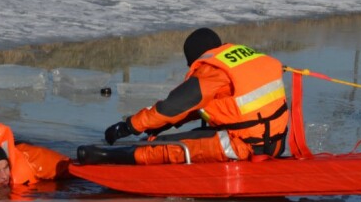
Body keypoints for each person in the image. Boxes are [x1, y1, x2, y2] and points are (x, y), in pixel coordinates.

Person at [77, 27, 289, 165]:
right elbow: (208, 107)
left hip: (243, 147)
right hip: (276, 144)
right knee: (176, 134)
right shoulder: (247, 60)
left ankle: (106, 158)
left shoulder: (212, 70)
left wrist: (129, 126)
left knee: (162, 146)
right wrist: (162, 125)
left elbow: (173, 106)